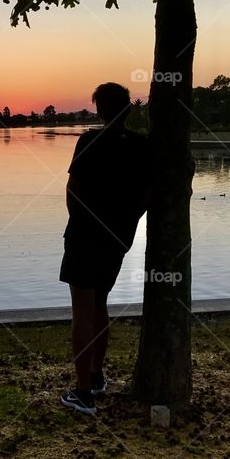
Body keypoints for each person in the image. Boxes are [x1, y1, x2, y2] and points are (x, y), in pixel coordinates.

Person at [59, 82, 153, 415]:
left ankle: (83, 393)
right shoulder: (143, 146)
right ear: (128, 110)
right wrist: (124, 225)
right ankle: (96, 376)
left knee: (82, 312)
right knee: (99, 303)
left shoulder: (89, 141)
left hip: (84, 237)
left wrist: (80, 223)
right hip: (117, 240)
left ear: (99, 110)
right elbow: (146, 197)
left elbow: (73, 190)